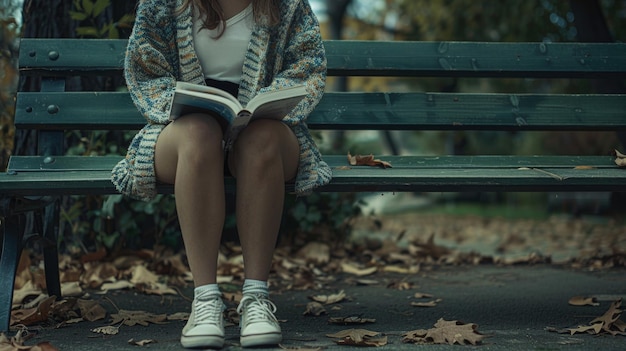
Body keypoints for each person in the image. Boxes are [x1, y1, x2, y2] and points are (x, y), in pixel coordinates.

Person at [111, 0, 331, 348]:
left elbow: (307, 68)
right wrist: (183, 102)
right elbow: (145, 70)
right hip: (183, 135)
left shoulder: (287, 6)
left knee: (260, 141)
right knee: (201, 133)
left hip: (263, 130)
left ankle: (256, 299)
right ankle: (205, 300)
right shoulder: (162, 4)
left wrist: (265, 102)